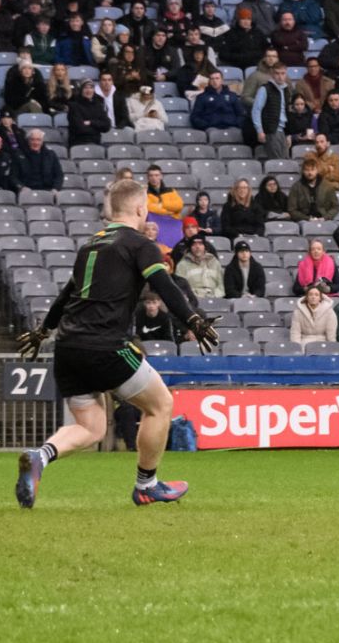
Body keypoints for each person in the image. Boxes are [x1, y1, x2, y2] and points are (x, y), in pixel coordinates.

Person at [13, 178, 219, 508]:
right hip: (105, 346)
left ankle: (41, 456)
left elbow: (66, 296)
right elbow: (163, 285)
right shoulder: (139, 244)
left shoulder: (89, 247)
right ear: (140, 208)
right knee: (161, 405)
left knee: (91, 427)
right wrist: (192, 318)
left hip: (67, 348)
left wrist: (43, 332)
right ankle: (146, 485)